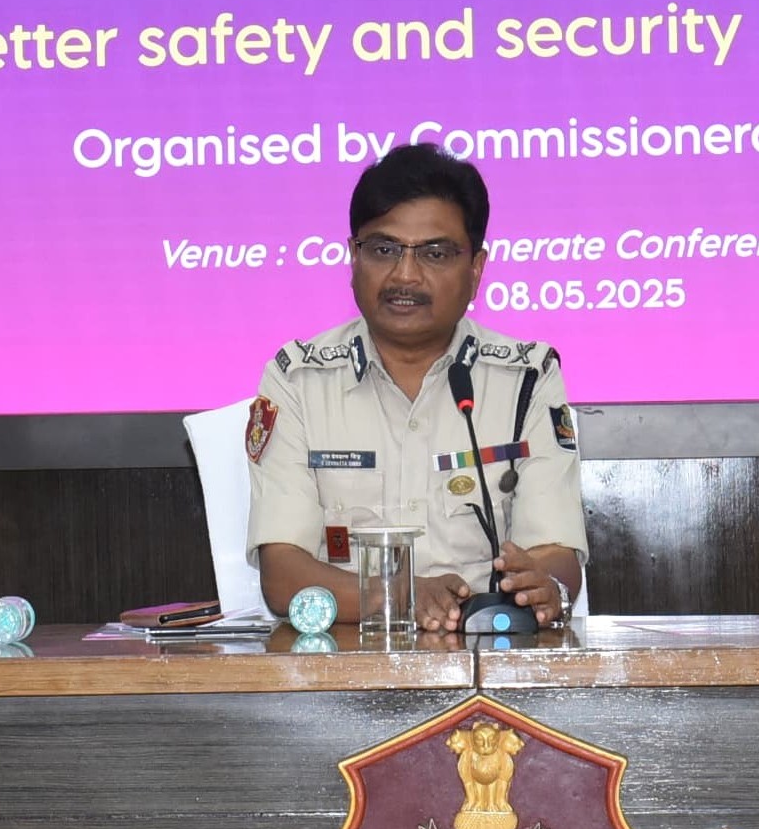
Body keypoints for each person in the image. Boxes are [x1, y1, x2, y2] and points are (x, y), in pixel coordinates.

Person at [246, 142, 583, 639]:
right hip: (341, 666)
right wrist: (400, 595)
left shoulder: (526, 378)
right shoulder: (297, 378)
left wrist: (544, 584)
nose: (405, 275)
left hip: (485, 654)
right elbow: (282, 577)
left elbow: (557, 557)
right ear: (353, 258)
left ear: (476, 269)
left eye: (435, 253)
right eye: (383, 250)